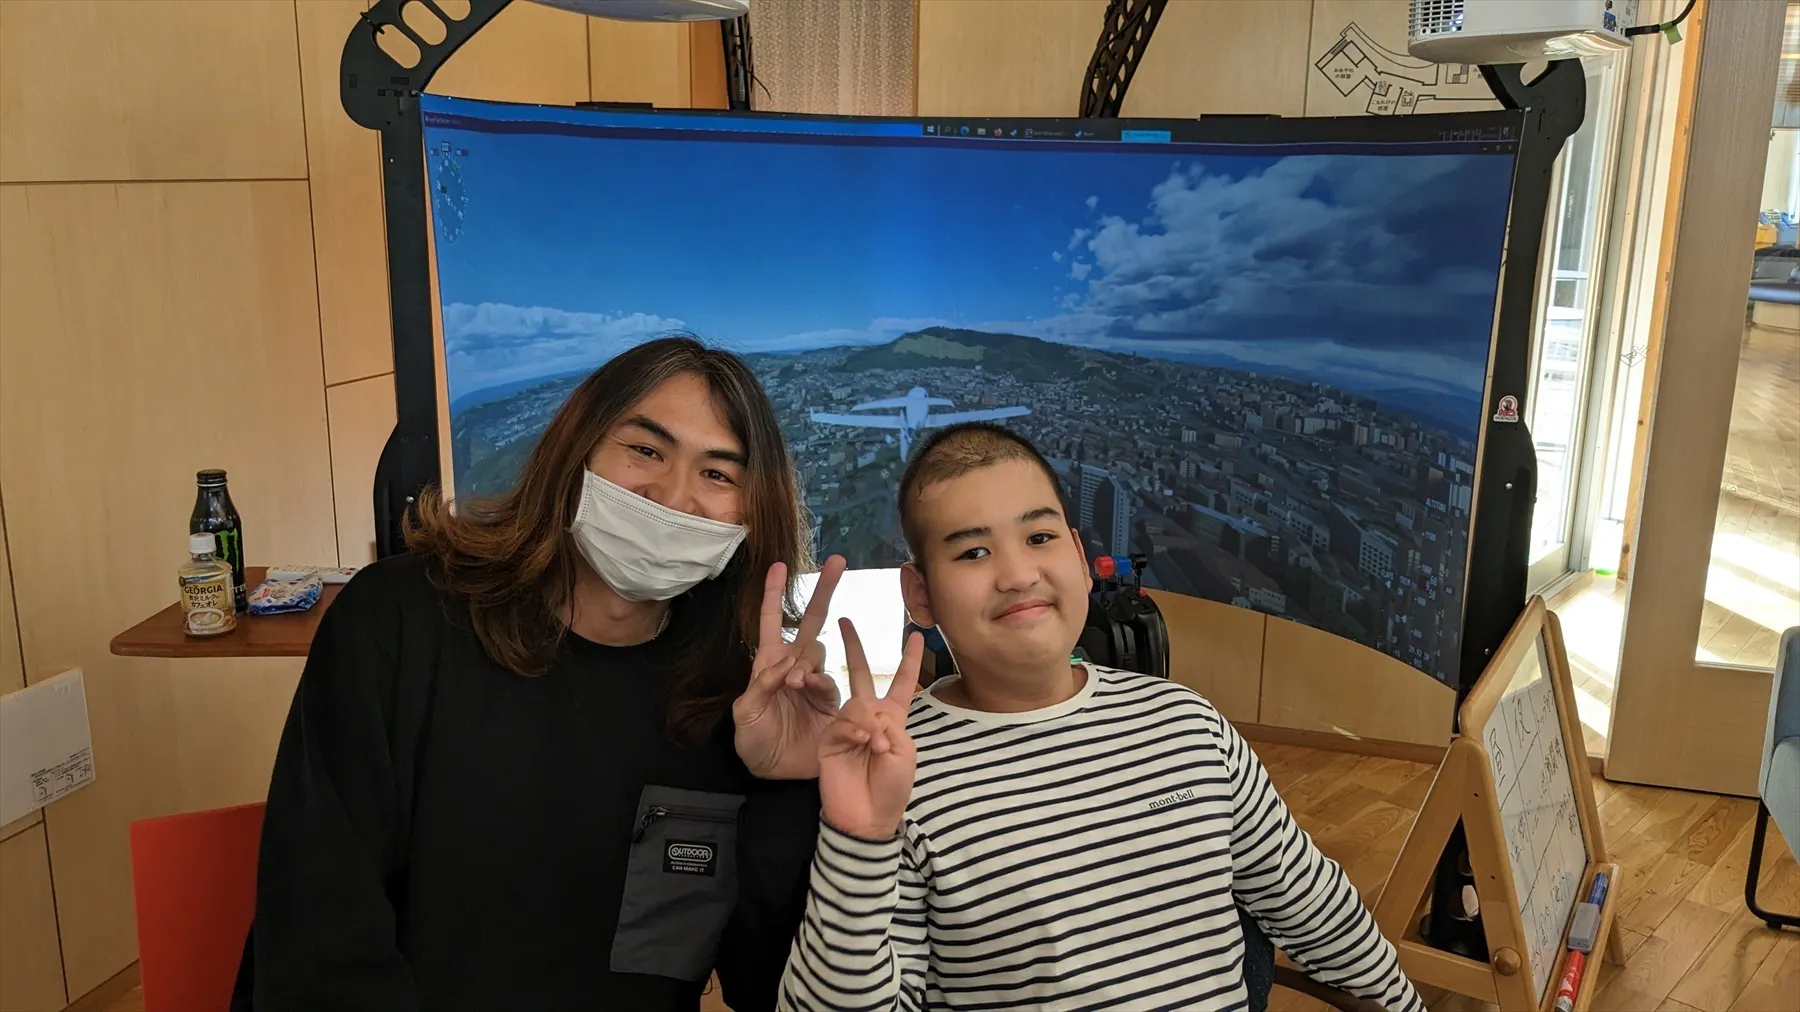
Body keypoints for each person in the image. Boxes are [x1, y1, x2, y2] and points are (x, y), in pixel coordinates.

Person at [237, 337, 848, 1012]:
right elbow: (319, 940)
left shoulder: (737, 699)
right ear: (576, 452)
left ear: (751, 514)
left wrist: (788, 789)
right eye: (645, 450)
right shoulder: (397, 623)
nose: (674, 497)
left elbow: (765, 984)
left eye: (718, 475)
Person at [780, 423, 1426, 1012]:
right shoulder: (893, 776)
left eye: (1039, 537)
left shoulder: (1188, 725)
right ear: (919, 594)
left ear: (1080, 557)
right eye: (973, 552)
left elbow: (1316, 908)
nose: (1017, 574)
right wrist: (857, 842)